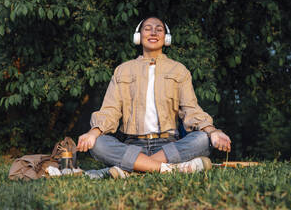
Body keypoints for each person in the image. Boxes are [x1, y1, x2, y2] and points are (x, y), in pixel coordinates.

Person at [77, 17, 231, 178]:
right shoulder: (123, 70)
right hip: (133, 145)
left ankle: (132, 168)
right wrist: (93, 133)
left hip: (168, 146)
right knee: (98, 144)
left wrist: (214, 131)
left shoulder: (179, 70)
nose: (153, 32)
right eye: (148, 28)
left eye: (159, 29)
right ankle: (170, 169)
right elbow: (111, 110)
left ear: (166, 37)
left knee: (202, 139)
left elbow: (191, 110)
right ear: (139, 36)